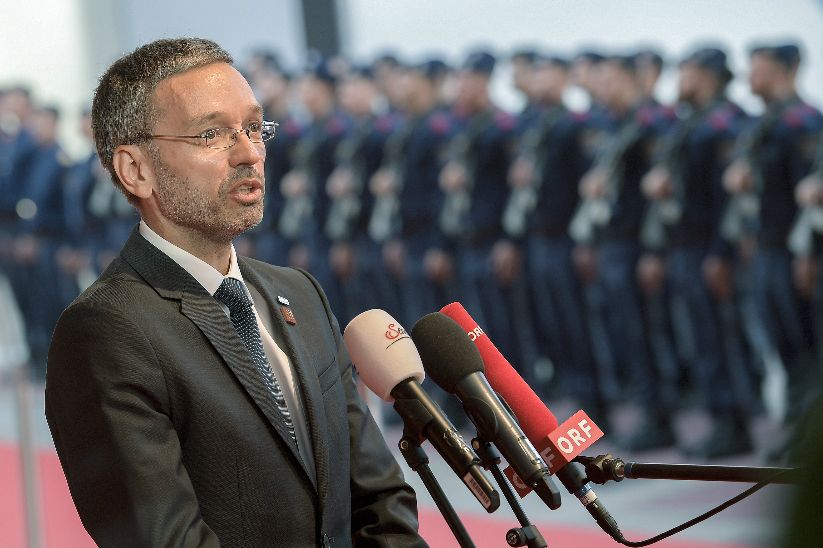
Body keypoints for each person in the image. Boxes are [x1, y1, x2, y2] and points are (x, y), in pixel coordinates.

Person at [45, 38, 425, 548]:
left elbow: (379, 497)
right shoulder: (107, 330)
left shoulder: (300, 293)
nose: (249, 154)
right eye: (211, 134)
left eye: (253, 127)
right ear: (136, 170)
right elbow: (166, 539)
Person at [641, 47, 755, 458]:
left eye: (685, 70)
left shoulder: (723, 124)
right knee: (701, 339)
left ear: (706, 74)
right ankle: (719, 417)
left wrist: (721, 253)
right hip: (684, 247)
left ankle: (733, 423)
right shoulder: (692, 124)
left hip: (710, 249)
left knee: (721, 337)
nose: (679, 79)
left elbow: (728, 203)